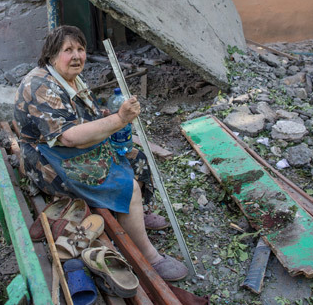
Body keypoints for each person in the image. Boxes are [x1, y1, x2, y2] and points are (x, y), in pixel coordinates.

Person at [14, 25, 188, 281]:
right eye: (68, 50)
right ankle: (148, 256)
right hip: (48, 162)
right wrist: (118, 119)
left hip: (66, 149)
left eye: (81, 49)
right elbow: (70, 137)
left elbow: (90, 116)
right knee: (126, 185)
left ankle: (137, 215)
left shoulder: (70, 78)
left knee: (134, 155)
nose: (77, 56)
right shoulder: (41, 86)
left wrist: (113, 118)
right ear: (52, 56)